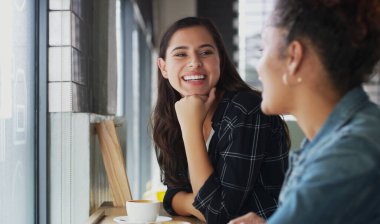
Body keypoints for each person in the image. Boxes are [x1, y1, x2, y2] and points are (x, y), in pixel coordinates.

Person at [229, 0, 380, 223]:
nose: (259, 67)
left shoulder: (350, 151)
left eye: (263, 49)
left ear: (293, 58)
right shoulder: (331, 140)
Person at [151, 17, 290, 224]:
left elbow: (218, 215)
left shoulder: (246, 109)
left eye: (206, 52)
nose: (194, 62)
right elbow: (172, 196)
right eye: (181, 54)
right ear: (163, 67)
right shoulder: (174, 114)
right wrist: (199, 205)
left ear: (220, 60)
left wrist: (191, 129)